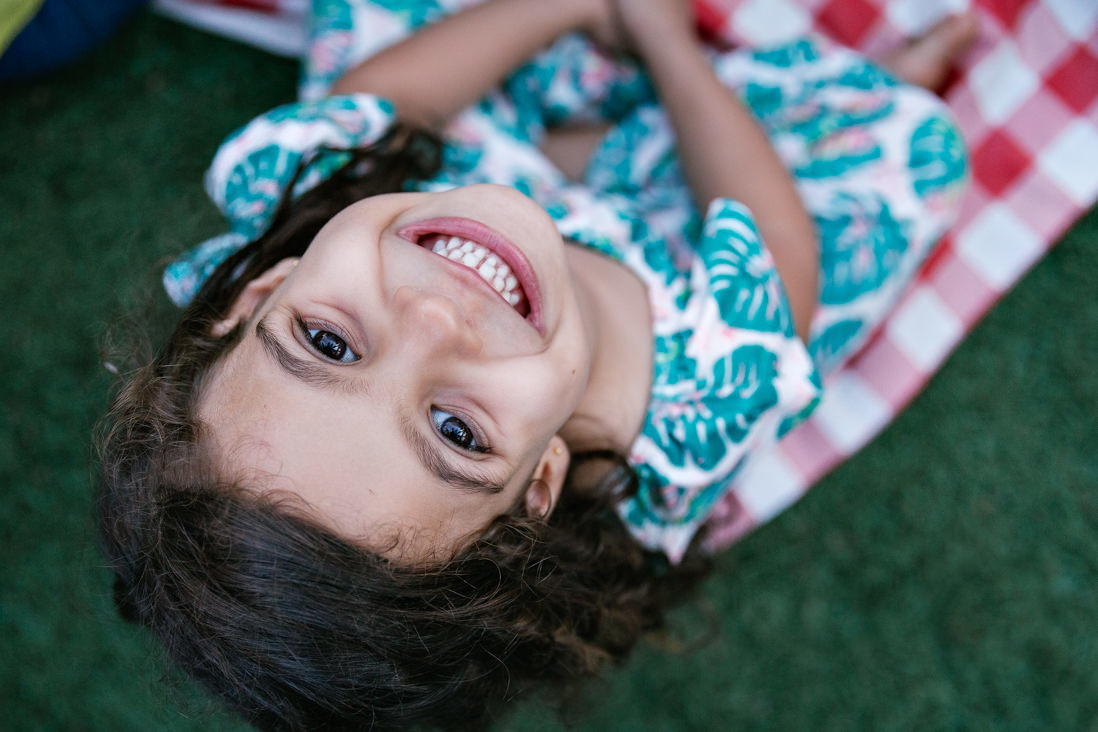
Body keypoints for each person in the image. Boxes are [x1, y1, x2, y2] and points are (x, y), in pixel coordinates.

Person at [96, 0, 977, 728]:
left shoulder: (313, 196)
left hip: (498, 176)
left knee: (385, 51)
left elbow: (394, 95)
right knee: (898, 162)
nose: (437, 318)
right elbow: (769, 228)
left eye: (328, 344)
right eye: (455, 430)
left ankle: (589, 121)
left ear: (259, 295)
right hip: (695, 227)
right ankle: (852, 87)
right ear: (540, 482)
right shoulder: (698, 386)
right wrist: (664, 39)